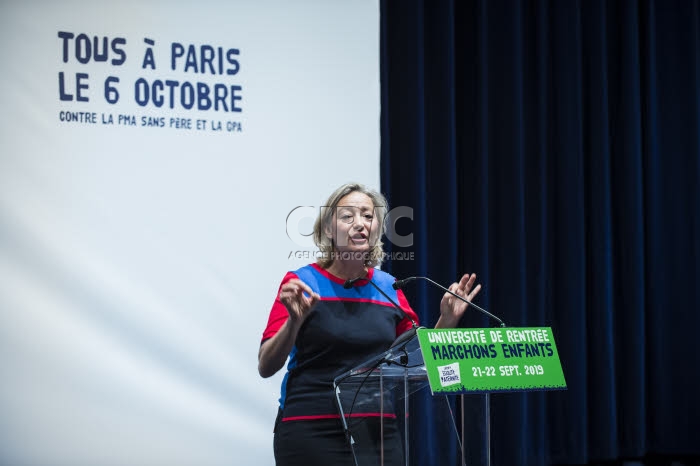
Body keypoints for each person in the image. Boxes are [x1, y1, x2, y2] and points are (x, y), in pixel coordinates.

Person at [258, 182, 481, 466]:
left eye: (368, 215)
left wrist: (446, 321)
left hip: (377, 433)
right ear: (328, 230)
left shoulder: (390, 287)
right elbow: (266, 365)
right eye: (347, 216)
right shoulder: (302, 282)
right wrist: (294, 322)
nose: (360, 224)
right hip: (311, 429)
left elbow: (417, 359)